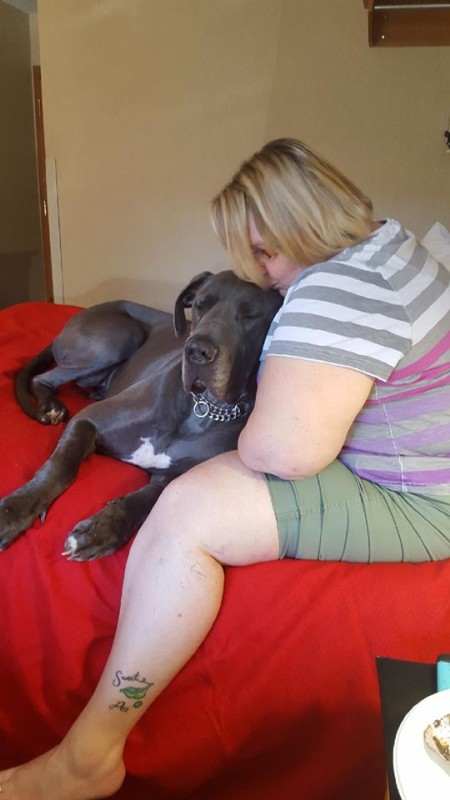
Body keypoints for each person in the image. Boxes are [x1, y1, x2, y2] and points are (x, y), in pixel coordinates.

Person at [2, 137, 450, 799]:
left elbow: (278, 452)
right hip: (423, 465)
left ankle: (88, 756)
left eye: (264, 253)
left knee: (186, 513)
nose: (261, 273)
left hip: (419, 497)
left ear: (302, 221)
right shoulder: (385, 246)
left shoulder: (337, 286)